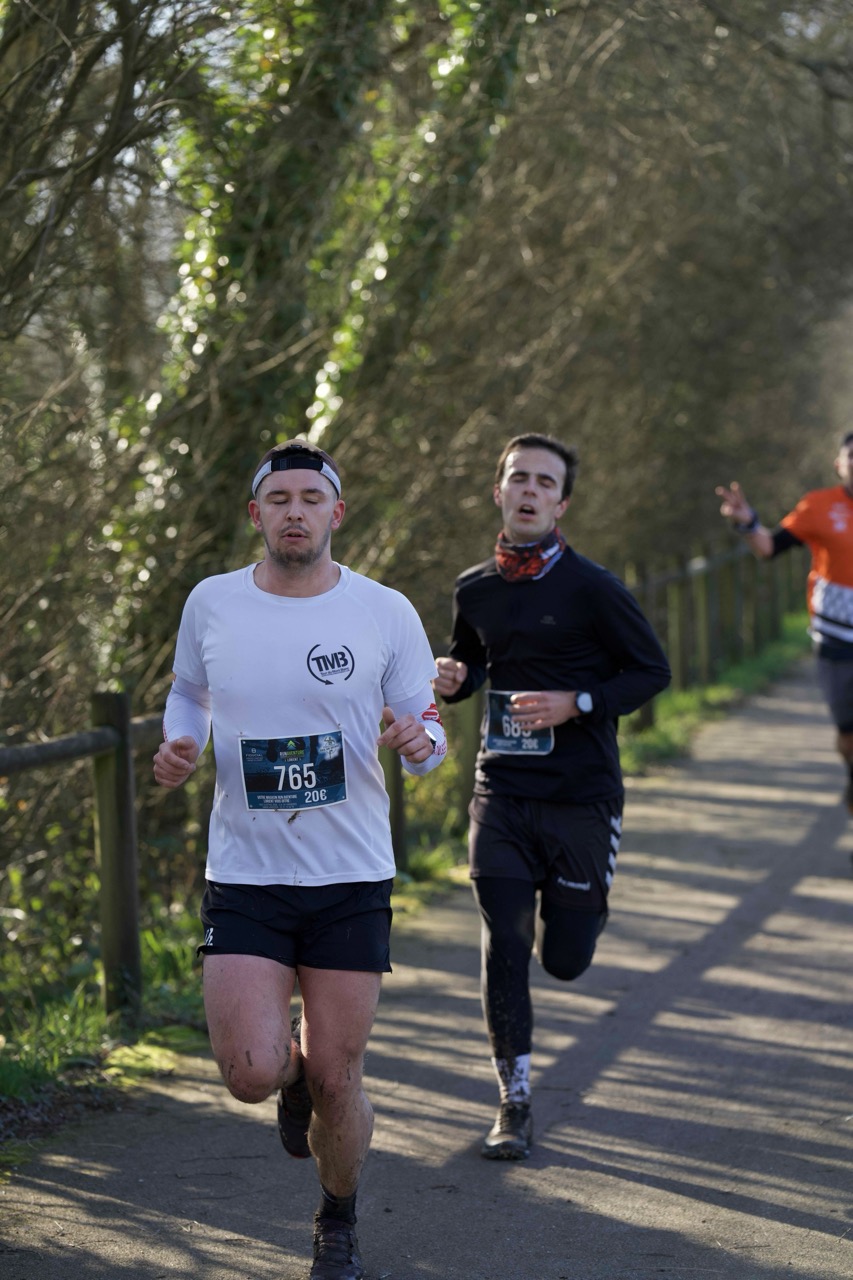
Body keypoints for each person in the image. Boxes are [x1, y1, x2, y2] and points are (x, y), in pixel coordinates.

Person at [153, 440, 446, 1280]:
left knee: (338, 1079)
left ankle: (336, 1220)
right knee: (250, 1073)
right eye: (278, 498)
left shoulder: (383, 610)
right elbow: (188, 692)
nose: (294, 511)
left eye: (310, 498)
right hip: (245, 874)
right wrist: (182, 741)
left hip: (350, 876)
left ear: (335, 513)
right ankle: (288, 1078)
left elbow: (428, 737)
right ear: (256, 514)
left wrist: (418, 743)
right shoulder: (212, 602)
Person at [433, 433, 670, 1161]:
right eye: (519, 478)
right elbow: (475, 660)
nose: (529, 490)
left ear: (561, 503)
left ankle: (582, 908)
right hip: (500, 790)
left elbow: (650, 671)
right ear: (498, 492)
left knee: (564, 959)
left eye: (544, 482)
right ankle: (513, 1101)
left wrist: (579, 702)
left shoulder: (594, 588)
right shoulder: (474, 588)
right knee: (504, 943)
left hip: (580, 796)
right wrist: (455, 678)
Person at [717, 431, 853, 811]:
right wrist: (747, 523)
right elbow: (769, 547)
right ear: (839, 464)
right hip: (835, 636)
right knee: (848, 736)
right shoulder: (819, 505)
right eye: (852, 456)